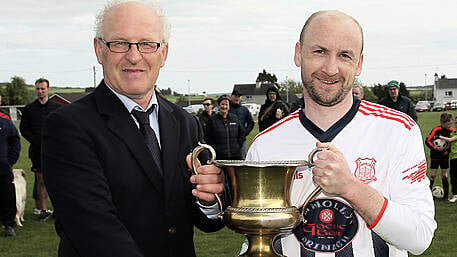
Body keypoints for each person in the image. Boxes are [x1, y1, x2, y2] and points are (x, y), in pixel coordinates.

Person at [41, 1, 225, 256]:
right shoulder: (67, 127)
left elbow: (206, 220)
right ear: (99, 50)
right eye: (119, 43)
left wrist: (208, 200)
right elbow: (95, 232)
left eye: (147, 44)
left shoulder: (185, 123)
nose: (134, 56)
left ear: (164, 53)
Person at [246, 10, 436, 256]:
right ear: (298, 53)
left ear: (359, 64)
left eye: (344, 55)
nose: (331, 68)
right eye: (320, 51)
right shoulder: (266, 145)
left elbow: (419, 236)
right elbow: (254, 240)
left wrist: (351, 188)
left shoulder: (399, 131)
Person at [19, 78, 61, 221]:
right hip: (37, 151)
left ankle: (59, 210)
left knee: (57, 181)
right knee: (41, 181)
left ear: (48, 89)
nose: (40, 91)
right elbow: (24, 129)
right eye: (38, 89)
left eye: (43, 89)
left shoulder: (57, 108)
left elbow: (64, 128)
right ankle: (43, 210)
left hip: (55, 152)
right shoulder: (29, 109)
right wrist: (36, 141)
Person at [205, 94, 244, 160]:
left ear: (229, 106)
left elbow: (241, 133)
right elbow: (208, 137)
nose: (224, 107)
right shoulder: (212, 120)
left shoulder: (235, 118)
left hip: (235, 155)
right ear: (218, 106)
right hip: (219, 156)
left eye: (226, 105)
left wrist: (238, 146)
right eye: (222, 104)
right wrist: (215, 148)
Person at [425, 112, 454, 201]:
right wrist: (434, 148)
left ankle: (445, 197)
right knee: (432, 175)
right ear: (442, 123)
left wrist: (447, 151)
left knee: (444, 175)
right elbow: (428, 140)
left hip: (444, 156)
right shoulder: (436, 130)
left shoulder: (452, 131)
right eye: (448, 124)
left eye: (450, 123)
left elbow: (453, 144)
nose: (450, 125)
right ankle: (427, 195)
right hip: (435, 156)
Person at [0, 115, 21, 236]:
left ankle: (8, 224)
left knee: (7, 196)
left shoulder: (6, 124)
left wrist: (9, 161)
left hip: (3, 168)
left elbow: (16, 142)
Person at [229, 89, 254, 158]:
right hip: (229, 139)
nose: (237, 98)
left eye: (239, 96)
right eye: (235, 96)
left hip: (241, 139)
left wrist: (245, 132)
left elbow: (251, 123)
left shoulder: (244, 109)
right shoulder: (227, 109)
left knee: (243, 159)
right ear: (231, 97)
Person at [439, 117, 457, 202]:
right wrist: (444, 149)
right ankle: (455, 195)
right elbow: (449, 144)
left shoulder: (453, 135)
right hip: (453, 158)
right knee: (453, 177)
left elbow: (450, 140)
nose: (456, 124)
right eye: (456, 123)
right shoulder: (453, 133)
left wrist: (440, 137)